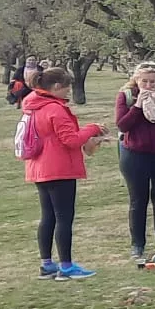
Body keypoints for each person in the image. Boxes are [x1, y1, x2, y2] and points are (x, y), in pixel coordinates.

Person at [22, 68, 107, 281]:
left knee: (48, 216)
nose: (69, 92)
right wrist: (92, 128)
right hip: (59, 168)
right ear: (57, 87)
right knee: (63, 218)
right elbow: (71, 140)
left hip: (39, 167)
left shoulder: (32, 105)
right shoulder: (55, 109)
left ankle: (46, 264)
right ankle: (66, 266)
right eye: (67, 87)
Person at [115, 62, 155, 262]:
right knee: (138, 201)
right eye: (144, 81)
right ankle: (138, 245)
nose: (149, 85)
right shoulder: (125, 96)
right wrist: (137, 107)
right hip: (134, 153)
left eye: (153, 81)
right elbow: (123, 125)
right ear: (136, 79)